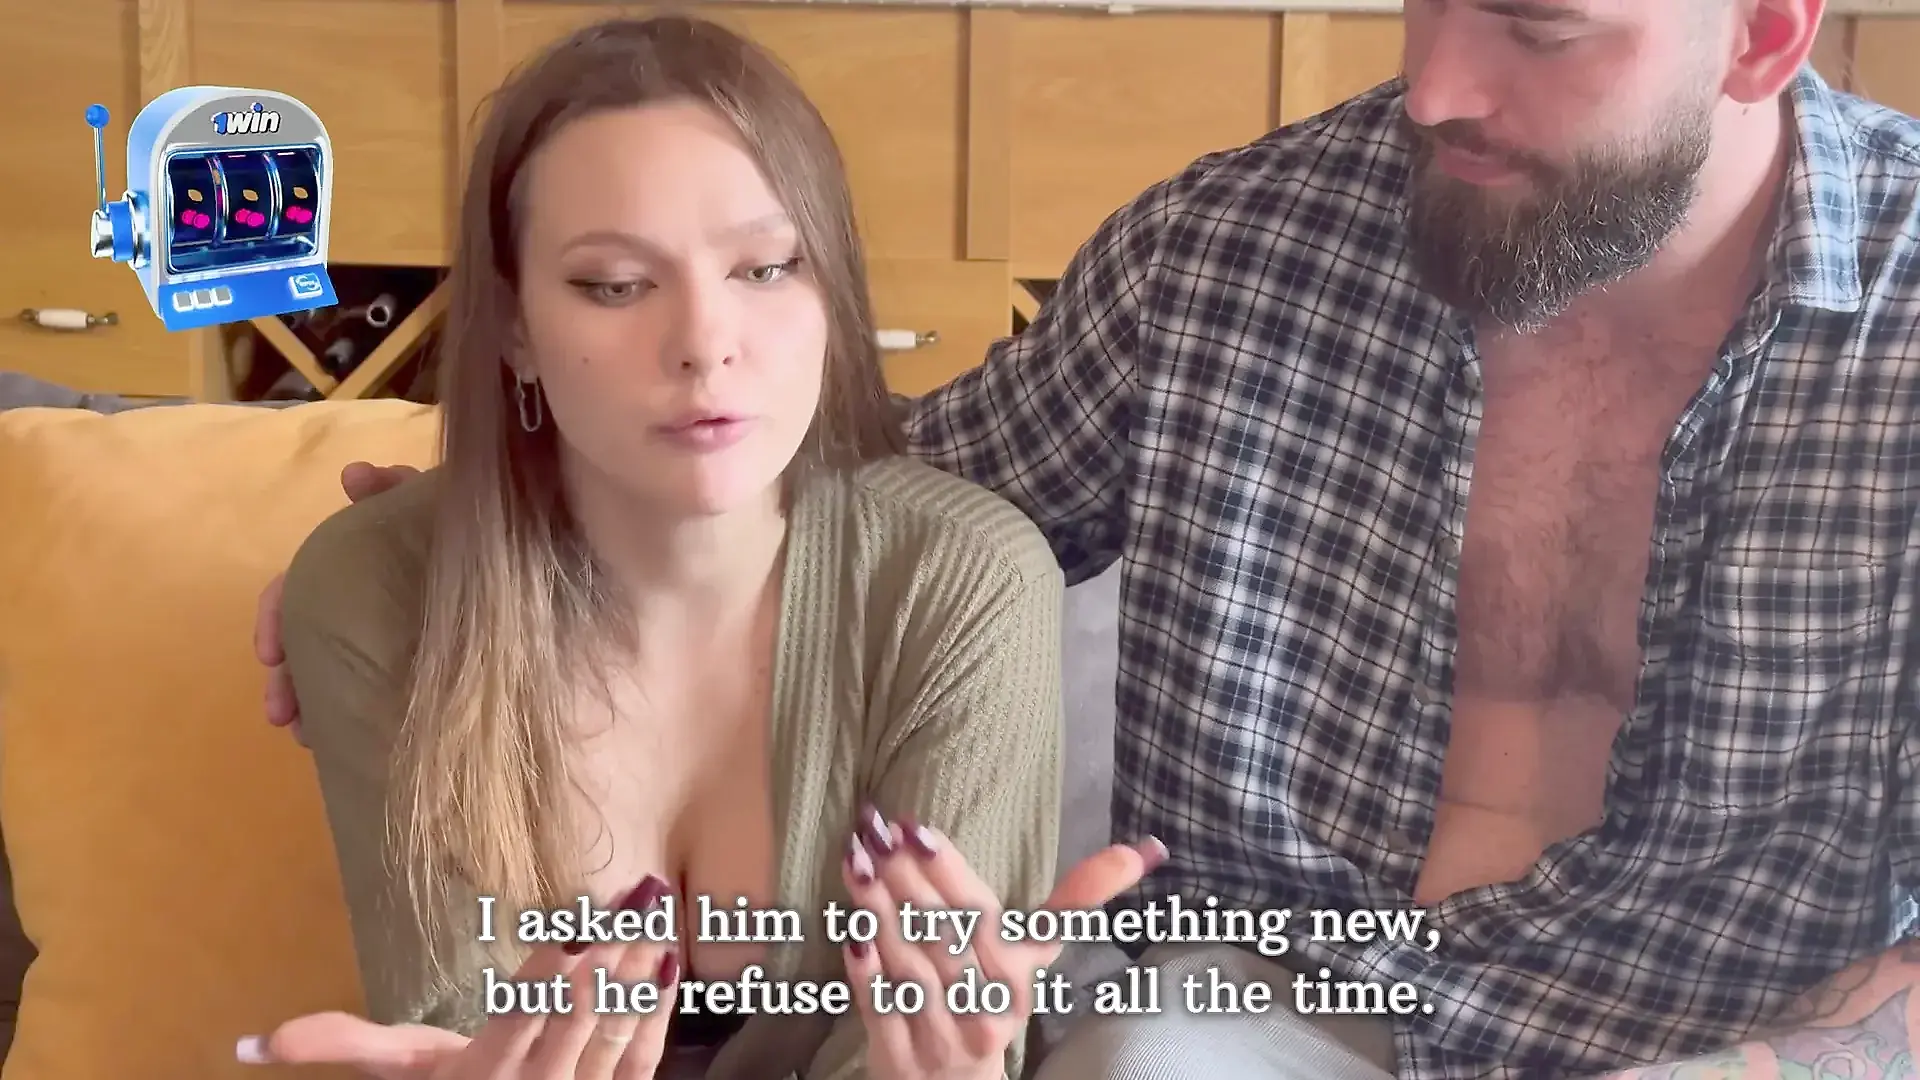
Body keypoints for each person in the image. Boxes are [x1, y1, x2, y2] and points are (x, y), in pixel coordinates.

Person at [254, 1, 1920, 1077]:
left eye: (1539, 26)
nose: (1433, 87)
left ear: (1765, 31)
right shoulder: (1224, 256)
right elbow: (844, 511)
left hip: (1724, 1045)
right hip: (1224, 1027)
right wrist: (479, 532)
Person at [233, 16, 1164, 1080]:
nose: (705, 345)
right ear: (514, 327)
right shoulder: (372, 593)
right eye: (615, 285)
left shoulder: (962, 583)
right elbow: (450, 1026)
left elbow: (923, 1046)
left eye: (766, 268)